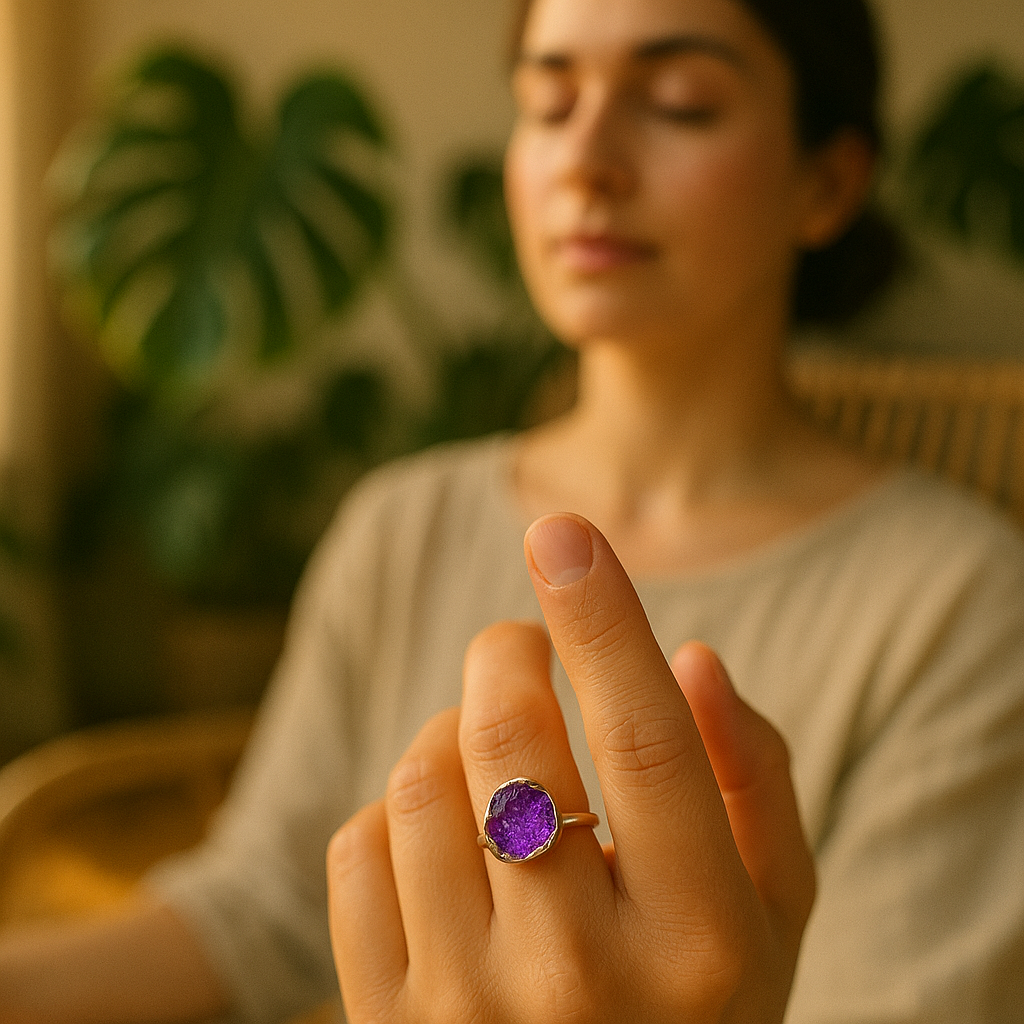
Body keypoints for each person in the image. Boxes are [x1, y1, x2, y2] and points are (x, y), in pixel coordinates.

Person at [2, 0, 1023, 1020]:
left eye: (679, 105)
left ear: (827, 181)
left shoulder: (960, 598)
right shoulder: (404, 521)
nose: (587, 158)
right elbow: (264, 906)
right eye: (548, 100)